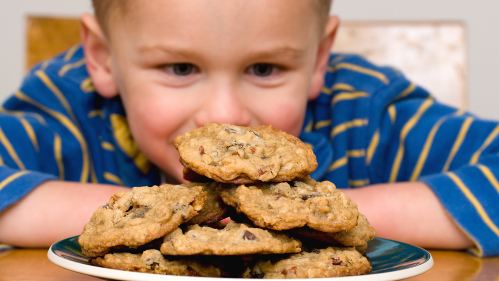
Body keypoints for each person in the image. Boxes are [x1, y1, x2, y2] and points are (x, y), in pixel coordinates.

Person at [0, 0, 497, 257]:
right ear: (103, 58)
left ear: (319, 58)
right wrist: (143, 218)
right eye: (179, 68)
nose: (224, 116)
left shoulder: (366, 111)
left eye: (263, 69)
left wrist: (323, 215)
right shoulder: (65, 108)